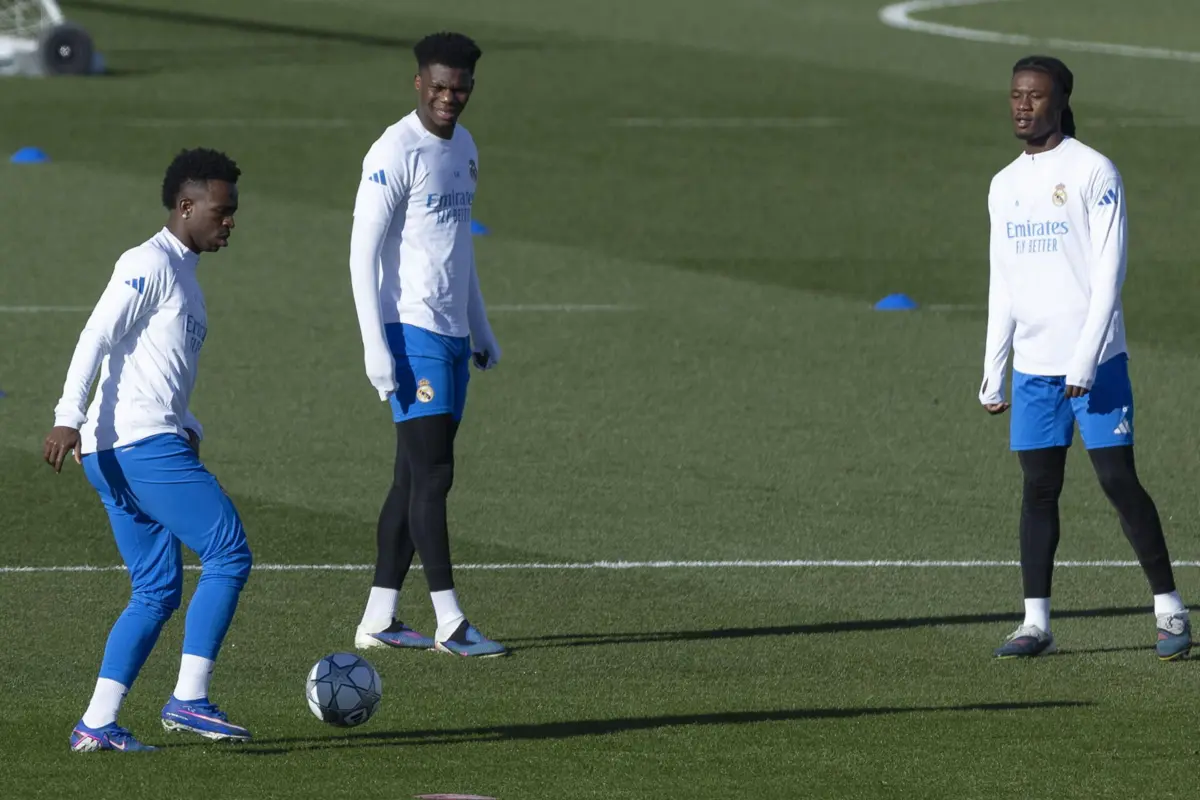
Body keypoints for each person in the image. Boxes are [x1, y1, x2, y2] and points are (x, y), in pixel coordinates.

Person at [979, 55, 1189, 661]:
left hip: (1094, 367)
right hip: (1034, 369)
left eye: (1035, 96)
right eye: (1016, 95)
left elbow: (1109, 273)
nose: (1023, 105)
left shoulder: (1095, 171)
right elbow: (1004, 281)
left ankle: (1170, 609)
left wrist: (1085, 360)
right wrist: (994, 367)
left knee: (1119, 482)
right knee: (1038, 491)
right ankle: (1035, 624)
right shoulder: (1003, 183)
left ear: (1060, 100)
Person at [45, 148, 255, 752]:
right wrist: (67, 418)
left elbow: (150, 363)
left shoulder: (184, 274)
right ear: (186, 206)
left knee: (157, 589)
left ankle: (97, 724)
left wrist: (187, 420)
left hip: (125, 449)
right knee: (229, 553)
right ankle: (189, 700)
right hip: (138, 446)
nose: (230, 222)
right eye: (221, 210)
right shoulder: (148, 262)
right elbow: (97, 335)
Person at [347, 31, 506, 658]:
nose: (449, 97)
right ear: (418, 83)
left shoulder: (464, 148)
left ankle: (379, 618)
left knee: (411, 476)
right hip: (407, 332)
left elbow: (456, 249)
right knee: (435, 474)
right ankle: (449, 621)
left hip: (450, 334)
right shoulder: (394, 150)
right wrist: (374, 346)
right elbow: (361, 255)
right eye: (438, 86)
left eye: (459, 87)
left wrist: (480, 325)